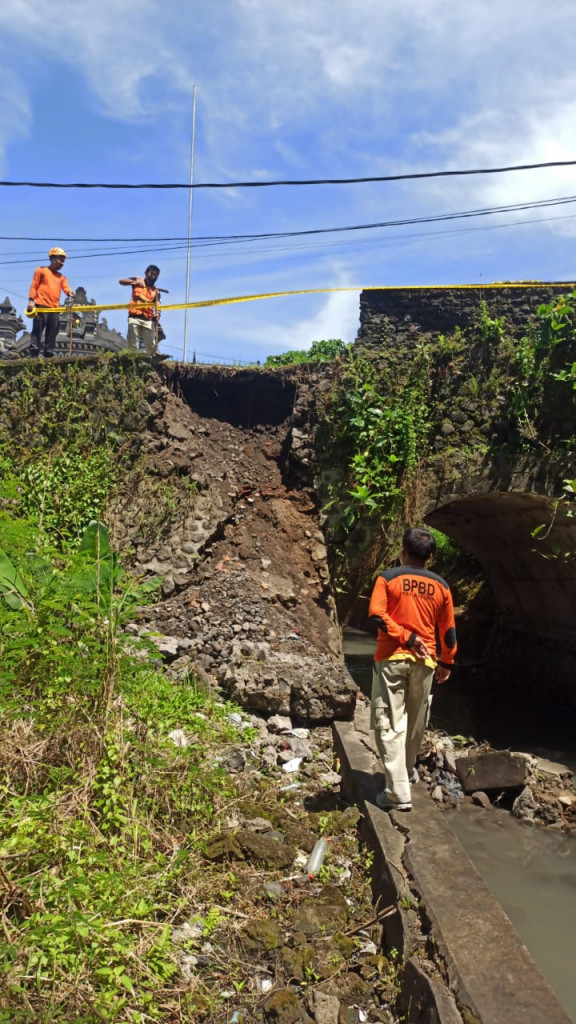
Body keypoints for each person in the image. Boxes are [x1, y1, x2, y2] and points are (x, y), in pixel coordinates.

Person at [368, 526, 457, 812]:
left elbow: (376, 614)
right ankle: (407, 772)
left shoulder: (388, 578)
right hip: (427, 662)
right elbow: (449, 631)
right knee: (416, 721)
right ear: (430, 556)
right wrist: (447, 661)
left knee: (392, 723)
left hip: (392, 658)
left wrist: (406, 638)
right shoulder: (442, 586)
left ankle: (397, 792)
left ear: (402, 551)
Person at [26, 247, 75, 358]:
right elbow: (34, 285)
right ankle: (34, 352)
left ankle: (49, 352)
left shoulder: (61, 277)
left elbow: (66, 287)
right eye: (60, 260)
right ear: (53, 258)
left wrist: (70, 293)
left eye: (63, 261)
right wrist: (31, 300)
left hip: (54, 308)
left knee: (53, 330)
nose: (62, 263)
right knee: (38, 329)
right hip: (41, 305)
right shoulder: (41, 270)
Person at [119, 265, 161, 355]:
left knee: (151, 344)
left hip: (148, 319)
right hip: (134, 317)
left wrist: (158, 313)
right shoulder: (137, 281)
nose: (153, 276)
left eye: (156, 275)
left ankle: (151, 359)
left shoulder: (156, 291)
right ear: (146, 273)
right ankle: (132, 358)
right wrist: (134, 282)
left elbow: (158, 304)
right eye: (152, 273)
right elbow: (121, 281)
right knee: (132, 341)